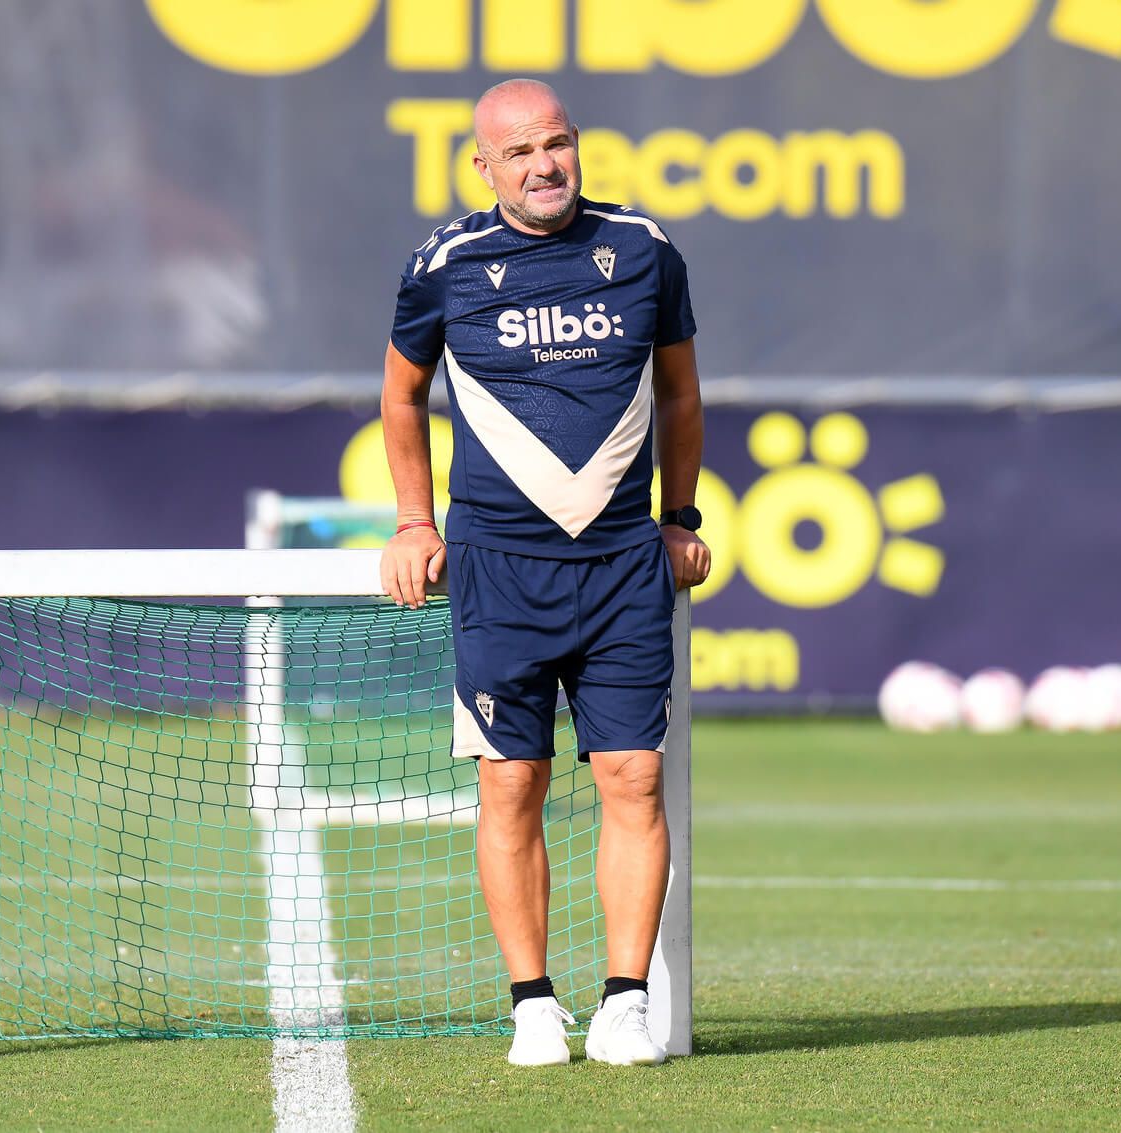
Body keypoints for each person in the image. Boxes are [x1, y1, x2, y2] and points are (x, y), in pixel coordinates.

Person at [379, 78, 710, 1067]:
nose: (542, 165)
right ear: (483, 168)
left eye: (555, 143)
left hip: (618, 568)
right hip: (497, 571)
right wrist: (411, 519)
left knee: (631, 774)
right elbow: (400, 399)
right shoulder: (443, 265)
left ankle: (622, 1005)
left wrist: (679, 516)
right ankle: (532, 1004)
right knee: (510, 783)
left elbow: (681, 393)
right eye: (518, 152)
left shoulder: (643, 250)